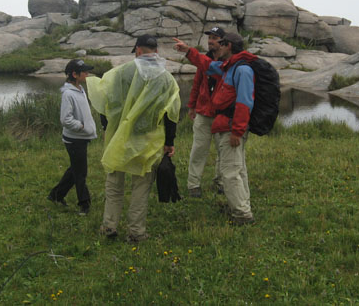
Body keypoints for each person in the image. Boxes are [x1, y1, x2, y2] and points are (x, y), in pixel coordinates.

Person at [87, 35, 180, 243]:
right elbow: (171, 113)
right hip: (148, 140)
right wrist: (169, 141)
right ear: (156, 51)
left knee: (114, 182)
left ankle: (109, 225)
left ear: (137, 50)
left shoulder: (120, 72)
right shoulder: (166, 78)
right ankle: (136, 232)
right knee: (141, 185)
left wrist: (105, 127)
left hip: (117, 136)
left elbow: (105, 101)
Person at [173, 32, 256, 225]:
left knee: (231, 172)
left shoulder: (241, 70)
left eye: (222, 43)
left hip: (230, 128)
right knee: (237, 169)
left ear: (229, 46)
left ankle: (242, 215)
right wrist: (188, 51)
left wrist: (237, 131)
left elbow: (244, 103)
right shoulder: (228, 67)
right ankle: (241, 206)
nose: (217, 46)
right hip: (224, 126)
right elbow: (207, 65)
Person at [47, 59, 98, 216]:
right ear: (75, 74)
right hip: (75, 139)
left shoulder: (80, 89)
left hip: (81, 138)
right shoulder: (68, 94)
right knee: (80, 173)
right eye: (84, 71)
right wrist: (81, 127)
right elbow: (65, 119)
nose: (87, 73)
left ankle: (55, 195)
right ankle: (84, 204)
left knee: (75, 170)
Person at [186, 26, 225, 198]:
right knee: (198, 149)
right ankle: (193, 184)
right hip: (203, 112)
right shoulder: (204, 60)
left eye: (215, 38)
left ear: (223, 42)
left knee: (223, 151)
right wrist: (192, 105)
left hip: (221, 114)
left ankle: (221, 182)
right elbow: (197, 83)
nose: (210, 41)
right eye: (209, 38)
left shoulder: (227, 62)